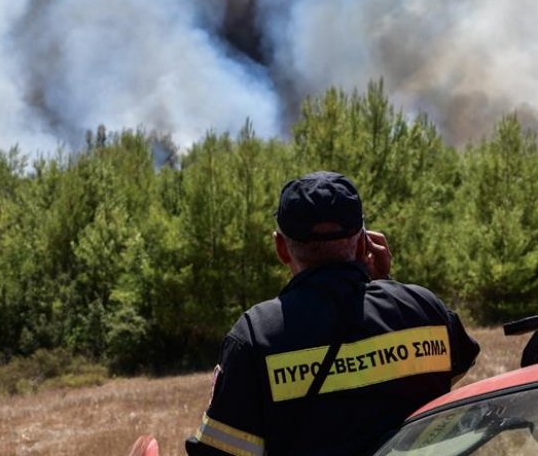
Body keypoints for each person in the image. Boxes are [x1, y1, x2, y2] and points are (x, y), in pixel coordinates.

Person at [185, 171, 480, 456]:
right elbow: (451, 373)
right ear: (364, 242)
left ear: (281, 248)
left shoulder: (255, 336)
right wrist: (386, 287)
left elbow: (221, 451)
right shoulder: (424, 308)